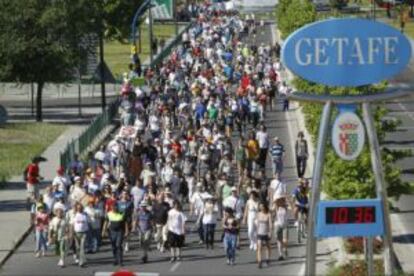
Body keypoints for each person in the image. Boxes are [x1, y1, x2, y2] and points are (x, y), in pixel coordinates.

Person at [71, 202, 89, 267]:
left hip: (84, 233)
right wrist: (72, 233)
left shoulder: (85, 214)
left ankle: (81, 262)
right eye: (78, 208)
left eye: (81, 208)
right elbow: (72, 225)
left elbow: (88, 223)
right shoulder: (75, 215)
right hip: (76, 233)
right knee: (78, 247)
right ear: (77, 208)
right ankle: (77, 258)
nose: (79, 209)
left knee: (82, 247)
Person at [255, 202, 272, 268]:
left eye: (262, 206)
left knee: (268, 247)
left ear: (265, 207)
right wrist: (256, 232)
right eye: (260, 207)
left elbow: (270, 224)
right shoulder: (258, 214)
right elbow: (257, 224)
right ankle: (259, 261)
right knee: (259, 247)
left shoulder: (268, 214)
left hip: (266, 233)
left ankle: (268, 259)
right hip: (259, 233)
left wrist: (270, 232)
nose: (261, 208)